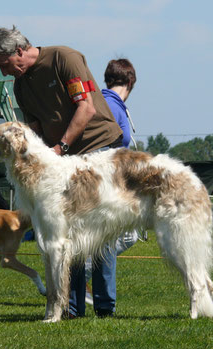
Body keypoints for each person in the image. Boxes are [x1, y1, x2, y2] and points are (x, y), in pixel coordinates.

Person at [0, 26, 123, 318]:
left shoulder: (64, 58)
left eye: (5, 65)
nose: (5, 74)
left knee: (100, 230)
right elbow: (34, 130)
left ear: (18, 51)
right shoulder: (21, 86)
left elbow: (86, 109)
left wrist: (59, 149)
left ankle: (104, 307)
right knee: (64, 231)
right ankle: (71, 307)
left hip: (98, 148)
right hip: (63, 158)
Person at [85, 59, 139, 305]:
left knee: (113, 237)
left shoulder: (102, 101)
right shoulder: (112, 105)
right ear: (130, 82)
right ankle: (90, 283)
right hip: (105, 183)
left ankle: (85, 282)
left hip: (103, 180)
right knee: (119, 237)